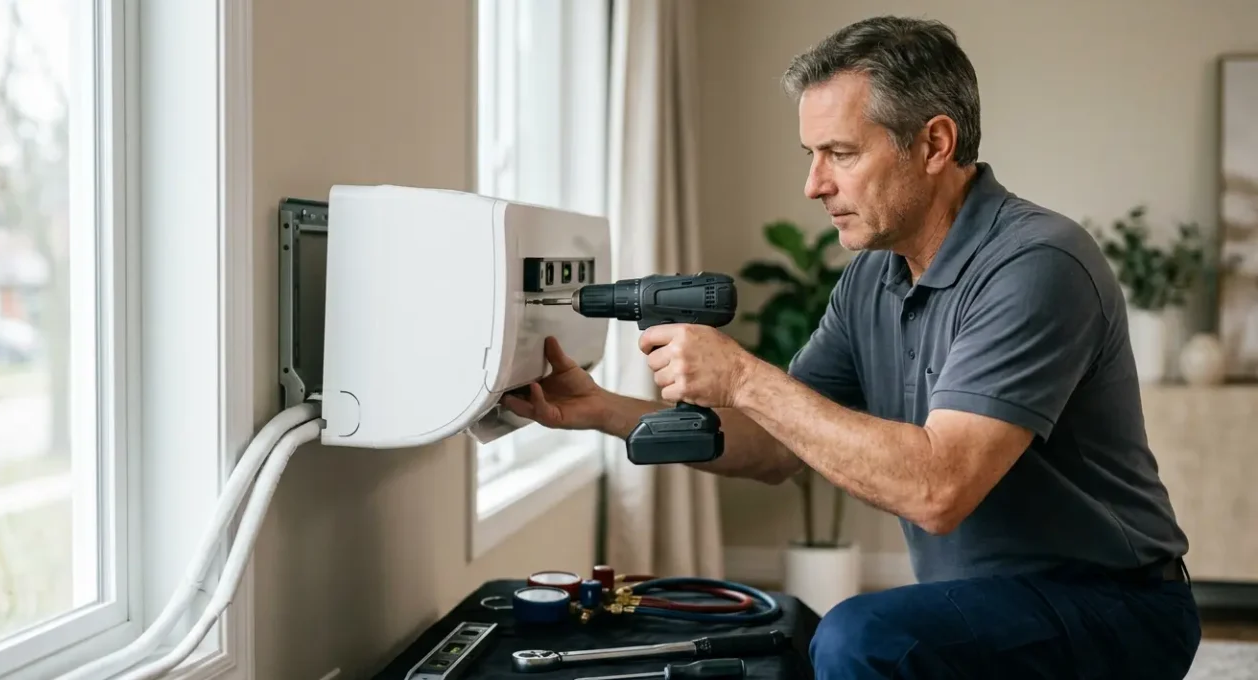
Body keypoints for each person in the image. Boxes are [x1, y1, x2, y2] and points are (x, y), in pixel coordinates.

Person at [501, 14, 1201, 680]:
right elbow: (777, 447)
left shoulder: (1038, 264)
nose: (814, 185)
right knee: (786, 636)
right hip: (986, 604)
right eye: (811, 155)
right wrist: (603, 410)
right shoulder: (875, 274)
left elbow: (938, 488)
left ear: (933, 145)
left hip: (1116, 605)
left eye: (840, 153)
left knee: (866, 638)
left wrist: (743, 375)